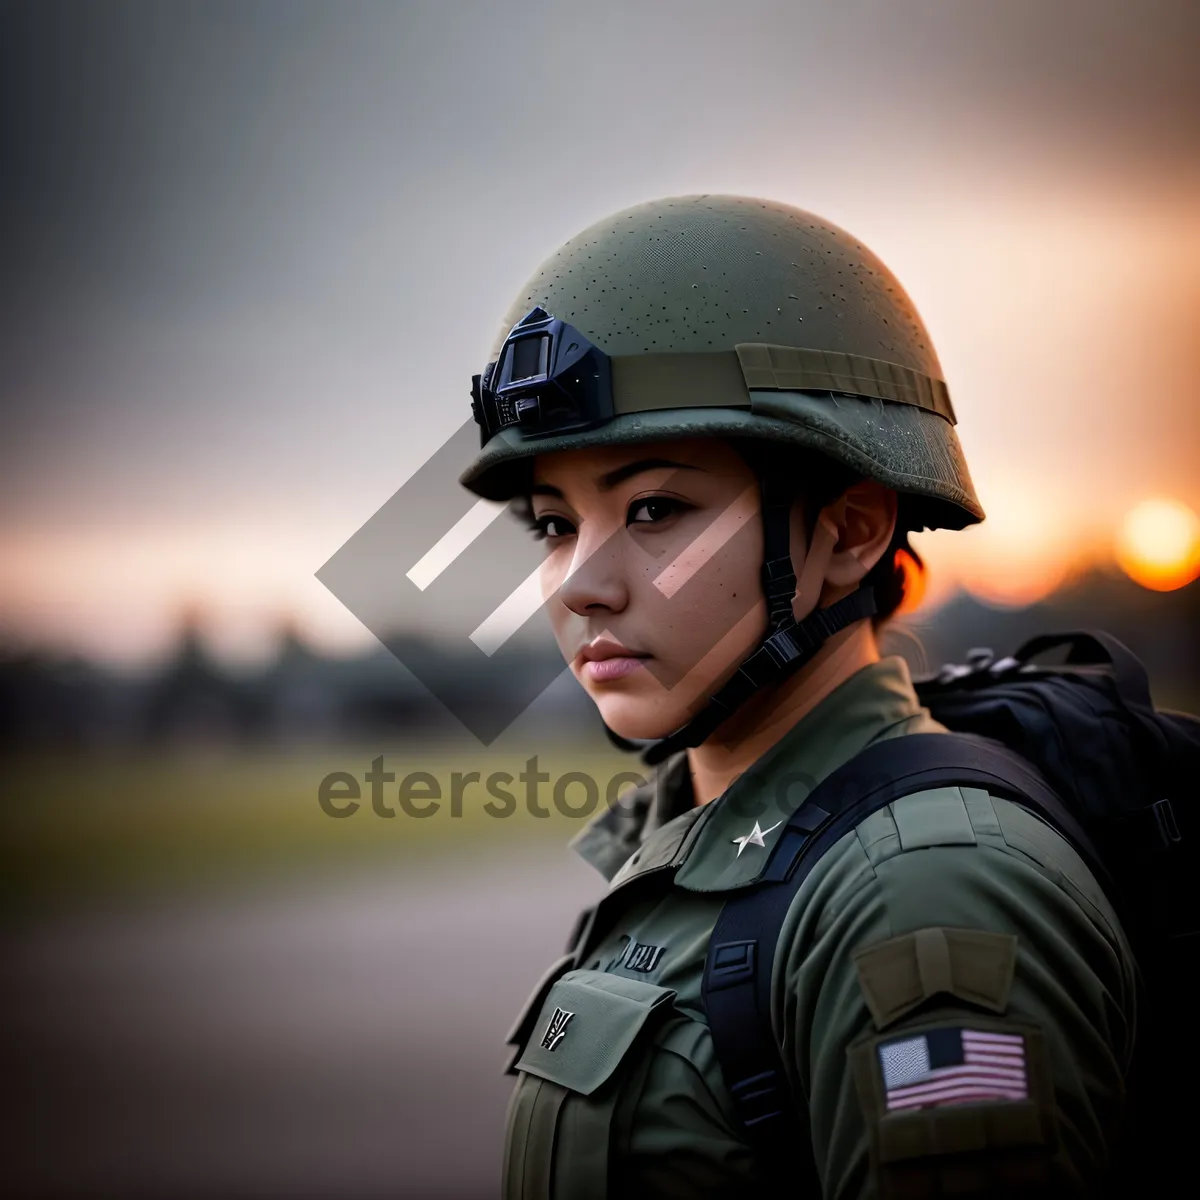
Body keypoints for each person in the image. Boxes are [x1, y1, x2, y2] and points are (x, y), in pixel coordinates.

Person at [459, 196, 1137, 1198]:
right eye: (555, 524)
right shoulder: (708, 835)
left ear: (849, 532)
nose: (580, 585)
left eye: (655, 509)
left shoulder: (921, 889)